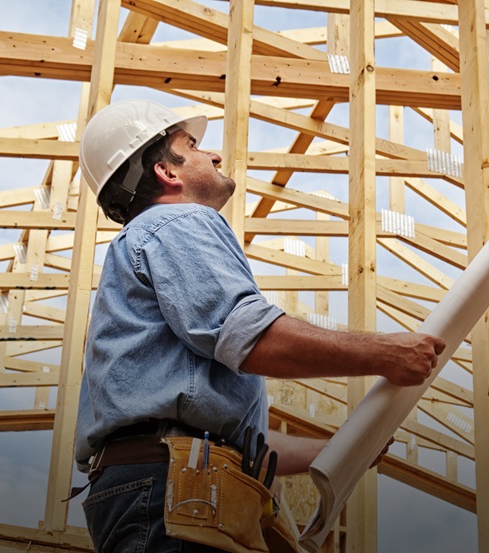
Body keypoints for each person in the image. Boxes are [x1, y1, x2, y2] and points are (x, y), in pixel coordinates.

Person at [72, 98, 446, 553]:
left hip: (171, 483)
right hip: (175, 489)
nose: (213, 155)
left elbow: (238, 446)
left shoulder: (144, 248)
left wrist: (341, 449)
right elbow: (250, 337)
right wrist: (386, 353)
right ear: (167, 173)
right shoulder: (178, 221)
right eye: (191, 146)